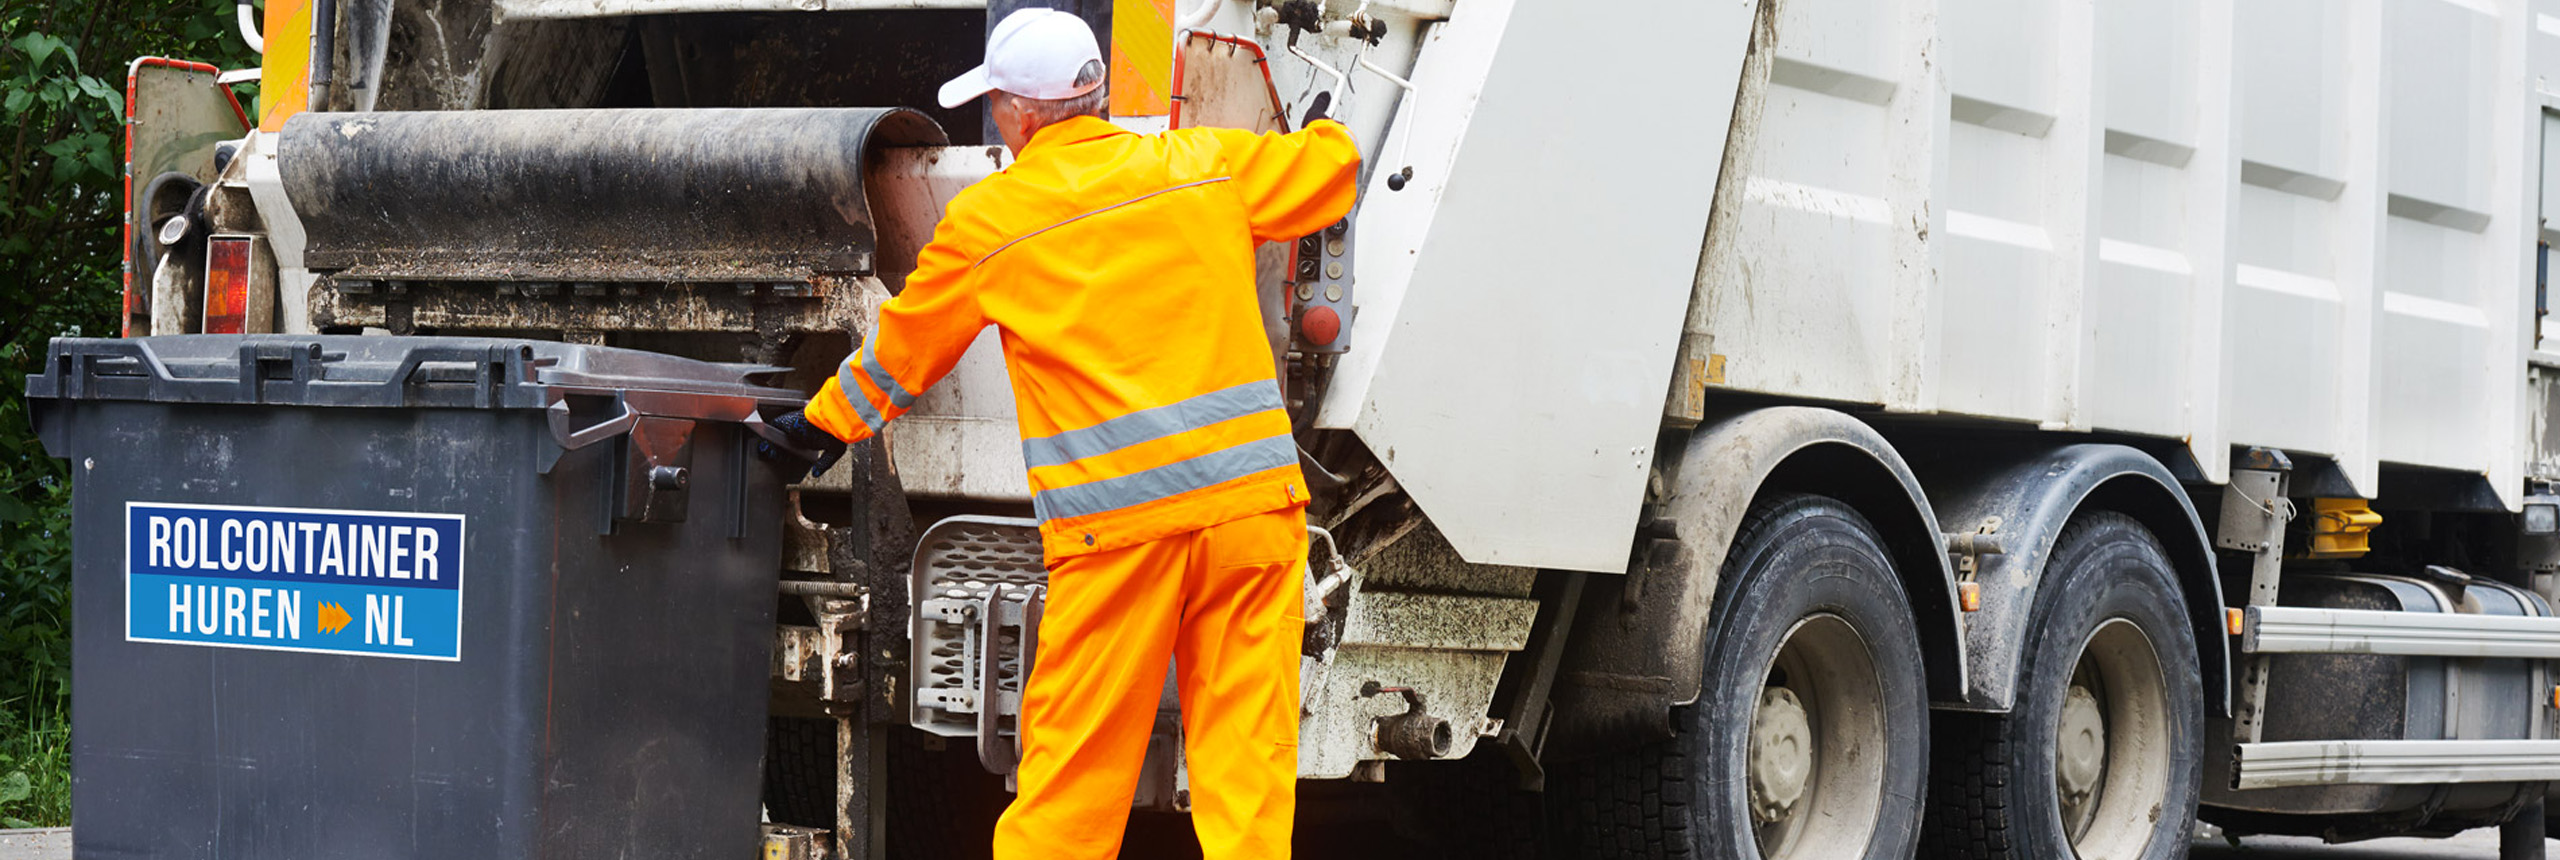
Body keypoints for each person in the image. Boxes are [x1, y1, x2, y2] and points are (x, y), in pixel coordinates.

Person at [760, 8, 1361, 859]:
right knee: (1249, 778)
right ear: (1094, 95)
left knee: (1072, 784)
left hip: (1121, 540)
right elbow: (1332, 173)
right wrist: (1328, 123)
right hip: (1251, 520)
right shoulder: (1203, 164)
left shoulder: (992, 222)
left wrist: (820, 425)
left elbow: (906, 354)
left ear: (1017, 112)